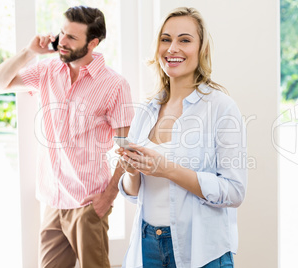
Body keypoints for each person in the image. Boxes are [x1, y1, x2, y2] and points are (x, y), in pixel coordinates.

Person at [0, 5, 134, 268]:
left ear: (93, 43)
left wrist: (108, 198)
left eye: (72, 38)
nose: (61, 42)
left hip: (89, 203)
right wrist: (29, 52)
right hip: (52, 202)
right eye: (62, 33)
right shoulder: (46, 71)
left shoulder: (114, 85)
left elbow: (127, 149)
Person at [117, 7, 247, 268]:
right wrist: (131, 171)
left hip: (202, 251)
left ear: (202, 50)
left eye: (184, 40)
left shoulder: (221, 107)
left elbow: (234, 192)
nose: (172, 48)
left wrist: (168, 170)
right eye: (166, 39)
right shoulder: (146, 111)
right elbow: (133, 194)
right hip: (148, 246)